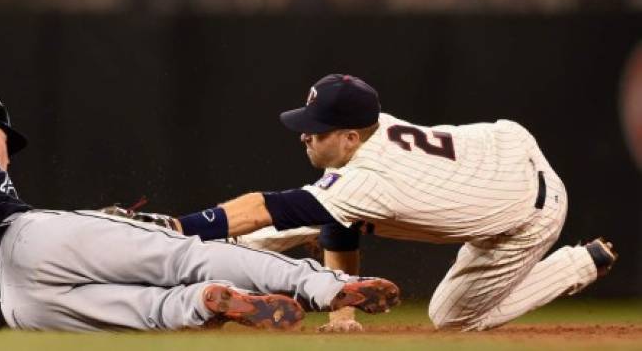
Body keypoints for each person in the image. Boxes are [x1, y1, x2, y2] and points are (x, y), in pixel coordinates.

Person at [0, 89, 400, 332]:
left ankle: (205, 306)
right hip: (26, 239)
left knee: (148, 313)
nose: (4, 150)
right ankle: (324, 287)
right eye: (5, 139)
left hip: (23, 310)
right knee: (184, 256)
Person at [170, 74, 618, 332]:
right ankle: (180, 272)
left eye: (317, 129)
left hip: (525, 214)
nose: (305, 134)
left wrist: (179, 226)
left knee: (450, 318)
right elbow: (337, 222)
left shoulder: (370, 178)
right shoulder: (372, 128)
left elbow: (262, 209)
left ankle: (578, 265)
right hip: (503, 150)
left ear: (350, 137)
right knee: (298, 221)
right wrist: (342, 310)